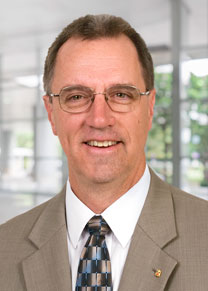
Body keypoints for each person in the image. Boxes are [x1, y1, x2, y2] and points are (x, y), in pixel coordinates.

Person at [0, 14, 208, 291]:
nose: (99, 119)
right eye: (76, 97)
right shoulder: (5, 247)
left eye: (121, 94)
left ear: (149, 108)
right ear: (51, 113)